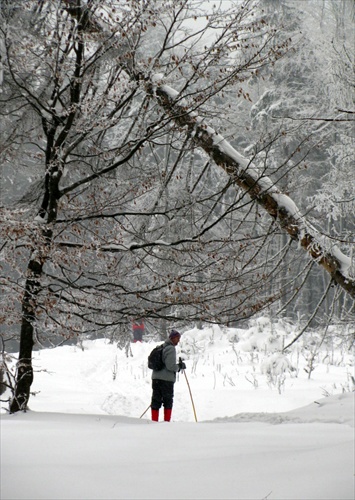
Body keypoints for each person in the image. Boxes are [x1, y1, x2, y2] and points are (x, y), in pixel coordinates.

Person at [151, 329, 186, 422]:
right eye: (178, 338)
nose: (179, 340)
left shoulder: (161, 347)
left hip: (156, 379)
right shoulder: (171, 348)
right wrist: (179, 366)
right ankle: (166, 423)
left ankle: (154, 421)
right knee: (168, 402)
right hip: (166, 380)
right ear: (173, 338)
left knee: (156, 401)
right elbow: (170, 366)